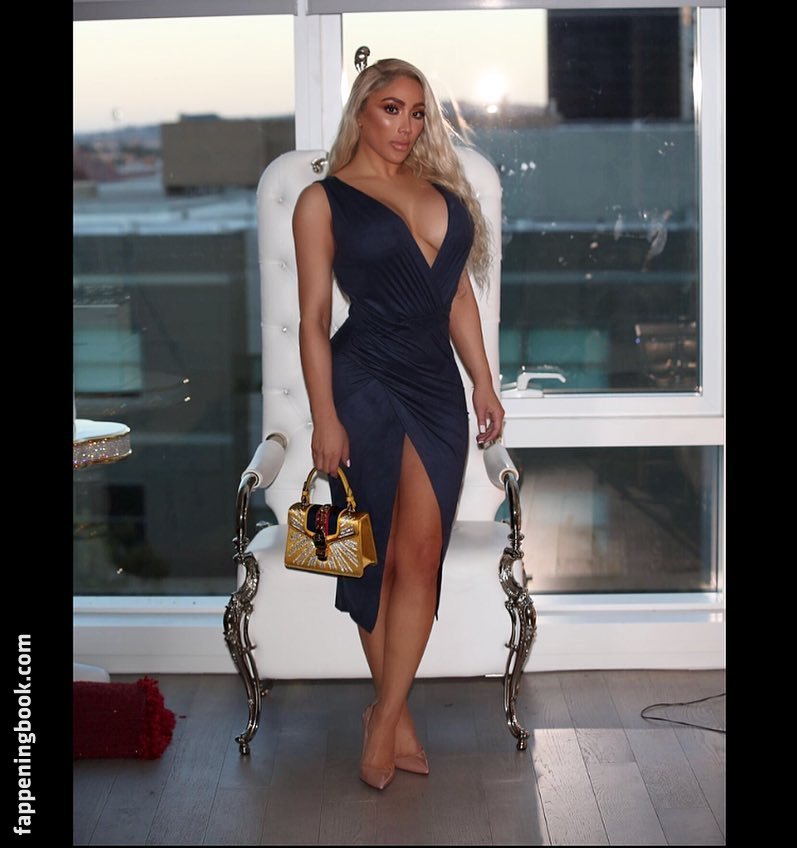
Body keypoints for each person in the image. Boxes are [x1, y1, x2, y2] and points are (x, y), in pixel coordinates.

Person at [292, 57, 504, 791]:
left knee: (420, 555)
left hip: (436, 390)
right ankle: (392, 720)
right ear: (360, 110)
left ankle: (381, 715)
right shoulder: (322, 201)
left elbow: (457, 297)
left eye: (417, 112)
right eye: (391, 108)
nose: (406, 125)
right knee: (370, 557)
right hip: (363, 383)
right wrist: (324, 417)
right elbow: (313, 321)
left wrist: (483, 381)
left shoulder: (441, 190)